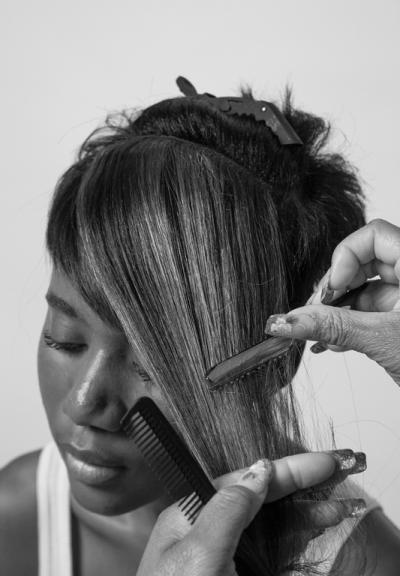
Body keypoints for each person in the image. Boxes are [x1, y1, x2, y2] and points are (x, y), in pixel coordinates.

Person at [0, 78, 398, 574]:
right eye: (64, 339)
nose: (84, 404)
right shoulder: (16, 515)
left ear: (277, 365)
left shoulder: (362, 562)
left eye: (155, 365)